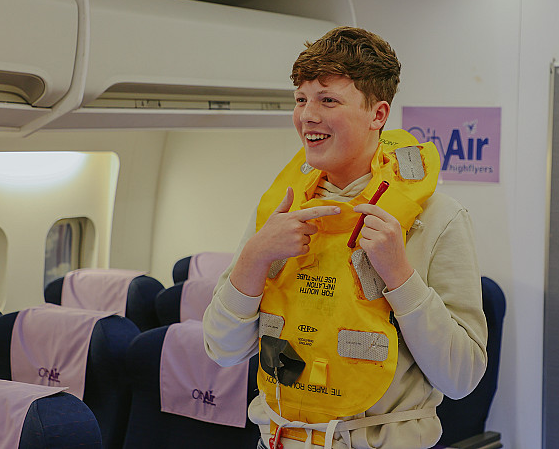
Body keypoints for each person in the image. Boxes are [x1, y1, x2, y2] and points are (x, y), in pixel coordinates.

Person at [203, 26, 487, 449]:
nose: (307, 115)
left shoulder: (438, 218)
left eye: (328, 100)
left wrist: (400, 277)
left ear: (378, 115)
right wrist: (254, 257)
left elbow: (462, 378)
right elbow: (222, 350)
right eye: (301, 99)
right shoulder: (281, 210)